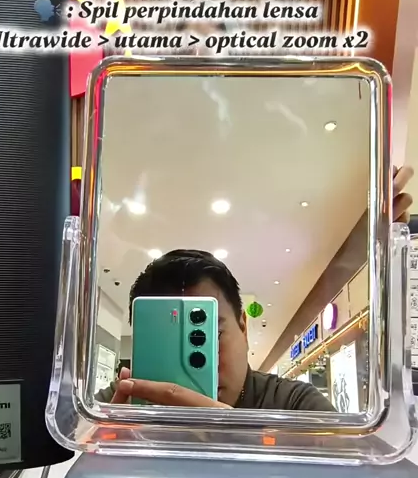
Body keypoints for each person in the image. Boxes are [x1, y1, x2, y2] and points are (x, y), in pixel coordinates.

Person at [96, 165, 414, 411]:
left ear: (243, 327)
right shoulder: (118, 403)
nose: (200, 359)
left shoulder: (292, 405)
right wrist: (102, 448)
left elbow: (361, 472)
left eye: (207, 332)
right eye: (165, 341)